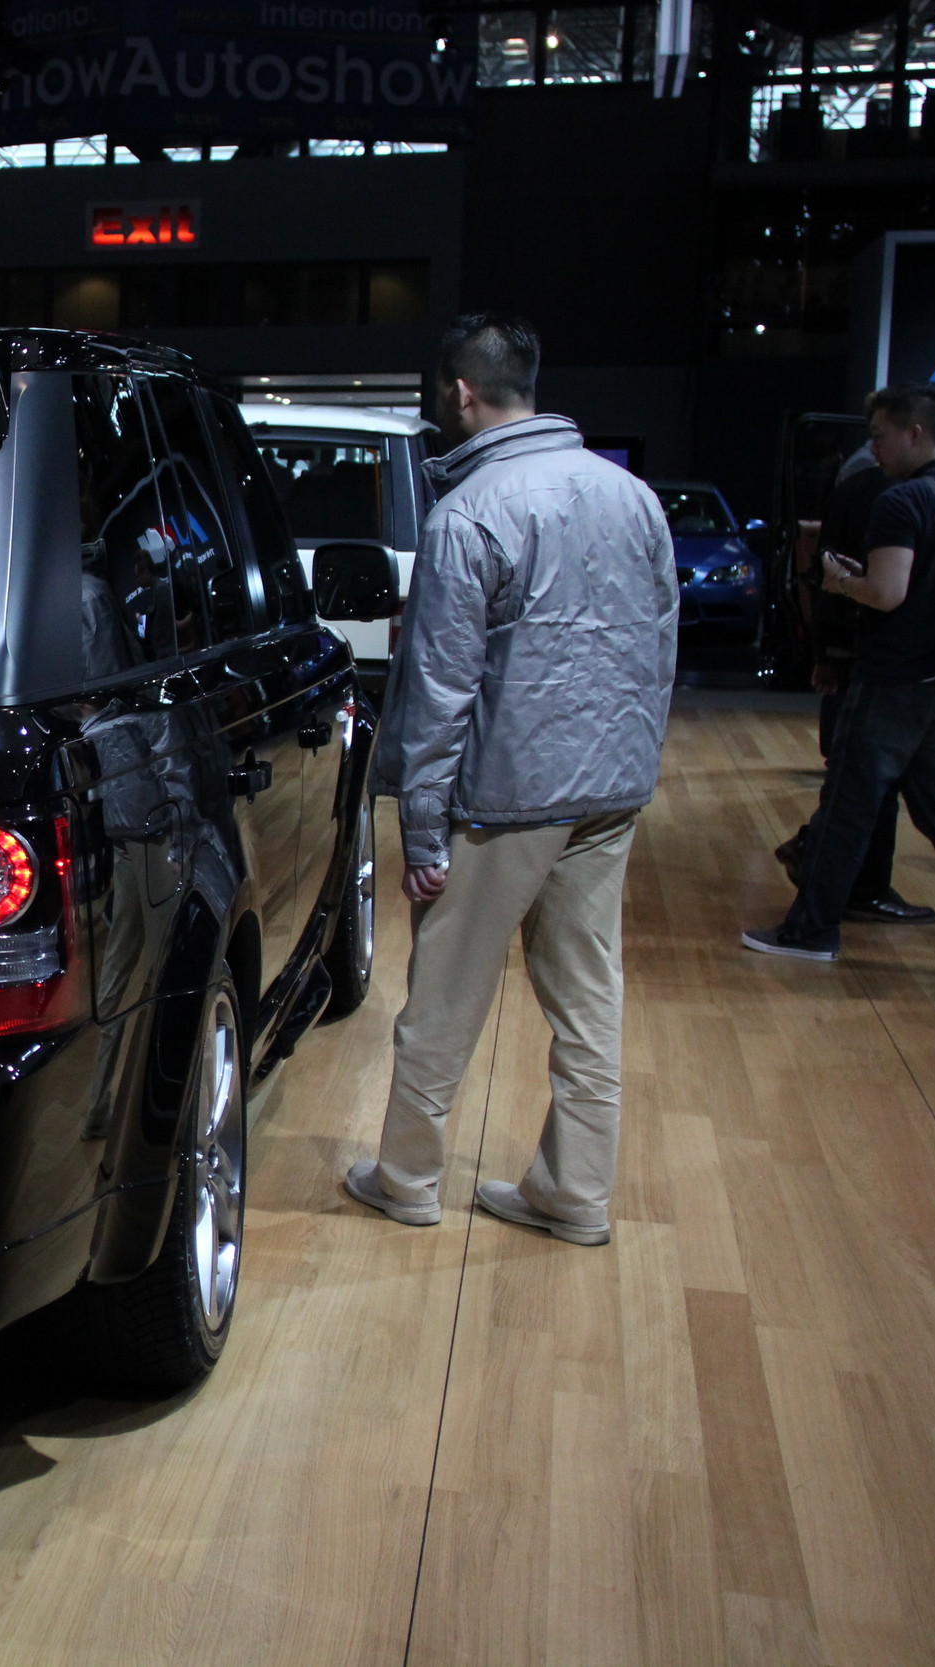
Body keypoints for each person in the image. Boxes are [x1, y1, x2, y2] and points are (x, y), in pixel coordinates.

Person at [343, 314, 679, 1247]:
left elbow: (441, 686)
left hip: (502, 800)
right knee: (588, 1003)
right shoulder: (632, 496)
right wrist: (634, 768)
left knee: (444, 1000)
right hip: (609, 789)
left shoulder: (470, 513)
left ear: (459, 393)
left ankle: (408, 1177)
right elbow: (661, 646)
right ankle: (575, 1194)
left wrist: (418, 830)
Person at [744, 386, 935, 974]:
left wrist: (839, 580)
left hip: (891, 680)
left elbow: (887, 591)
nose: (871, 447)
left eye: (878, 434)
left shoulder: (900, 502)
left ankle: (810, 930)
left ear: (914, 433)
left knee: (849, 804)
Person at [771, 440, 935, 925]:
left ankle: (824, 869)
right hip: (883, 663)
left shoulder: (880, 489)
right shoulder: (891, 494)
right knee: (865, 784)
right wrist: (831, 649)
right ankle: (837, 885)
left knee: (861, 781)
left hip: (870, 660)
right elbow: (844, 579)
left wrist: (828, 649)